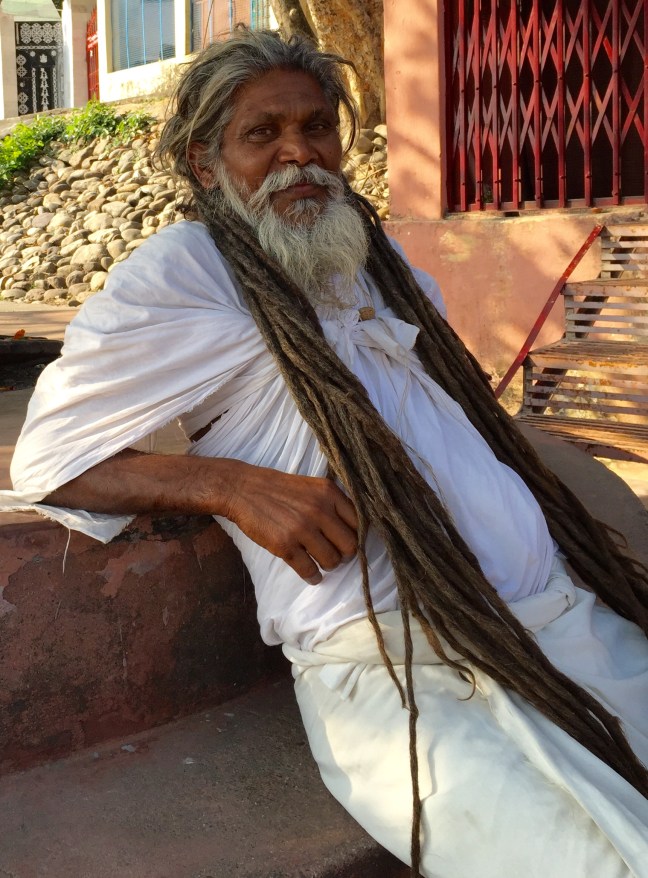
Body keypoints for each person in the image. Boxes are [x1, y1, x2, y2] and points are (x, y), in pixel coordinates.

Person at [2, 28, 647, 878]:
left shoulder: (373, 259)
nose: (298, 154)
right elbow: (48, 457)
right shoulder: (185, 271)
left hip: (564, 623)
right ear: (204, 164)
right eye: (261, 135)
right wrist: (231, 485)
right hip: (405, 676)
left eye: (318, 128)